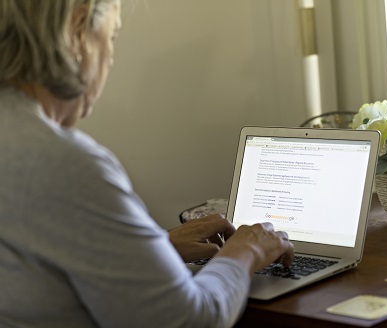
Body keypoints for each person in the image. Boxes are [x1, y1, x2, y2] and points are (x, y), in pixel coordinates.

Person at [0, 1, 294, 327]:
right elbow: (190, 321)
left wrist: (151, 251)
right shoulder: (63, 165)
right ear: (77, 32)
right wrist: (247, 251)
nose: (110, 58)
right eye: (112, 36)